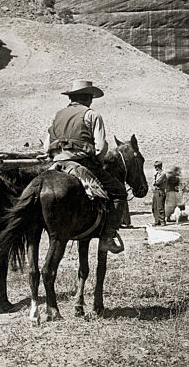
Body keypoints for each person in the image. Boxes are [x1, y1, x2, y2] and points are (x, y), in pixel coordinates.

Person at [44, 80, 127, 254]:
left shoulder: (58, 115)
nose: (91, 101)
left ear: (72, 97)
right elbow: (100, 146)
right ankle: (108, 237)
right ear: (87, 98)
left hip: (57, 162)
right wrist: (98, 160)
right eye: (90, 97)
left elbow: (46, 146)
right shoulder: (91, 115)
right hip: (82, 161)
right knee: (119, 192)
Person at [152, 161, 167, 225]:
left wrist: (154, 181)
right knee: (154, 207)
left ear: (160, 167)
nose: (156, 168)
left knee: (160, 207)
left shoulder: (163, 174)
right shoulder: (156, 174)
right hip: (156, 191)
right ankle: (157, 221)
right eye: (155, 167)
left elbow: (157, 183)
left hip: (160, 191)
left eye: (157, 167)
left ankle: (162, 221)